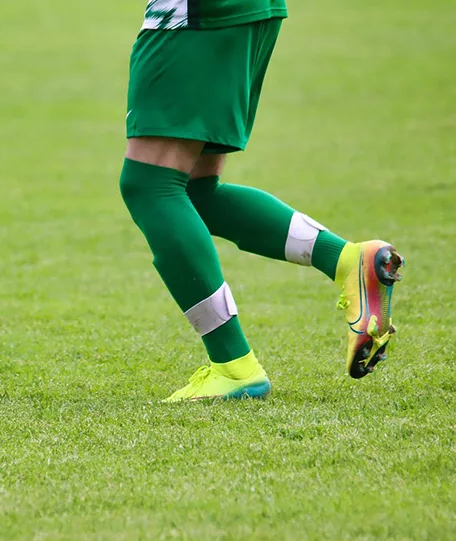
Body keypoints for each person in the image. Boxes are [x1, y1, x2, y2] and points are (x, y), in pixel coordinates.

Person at [119, 0, 404, 401]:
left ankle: (234, 366)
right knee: (194, 191)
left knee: (150, 185)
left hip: (196, 14)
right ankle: (348, 260)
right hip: (246, 11)